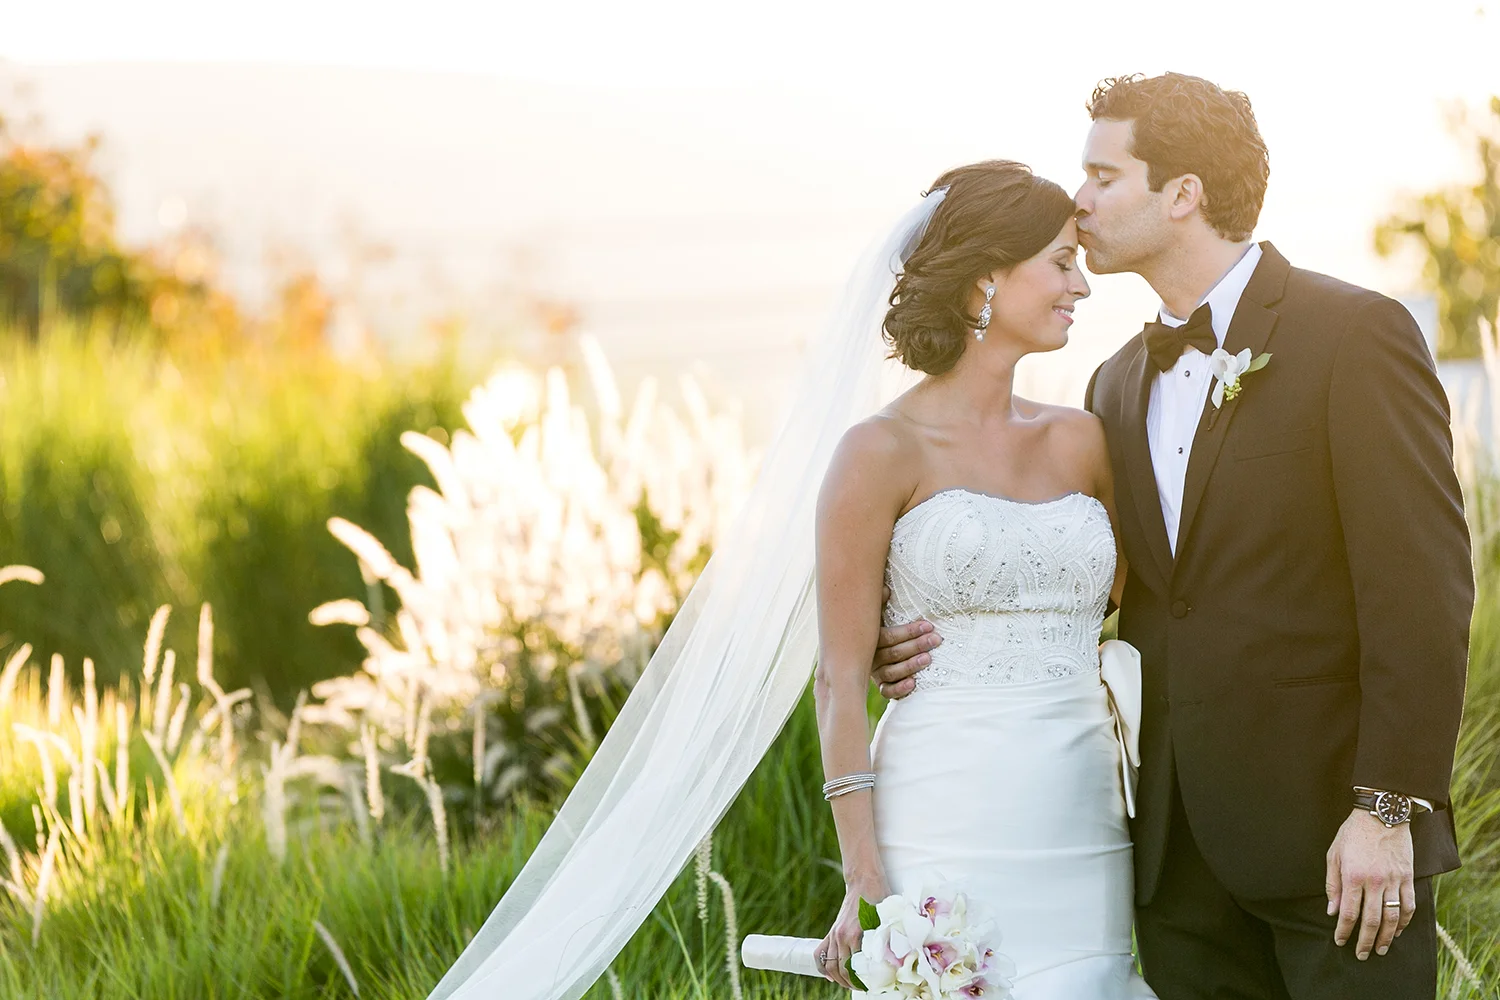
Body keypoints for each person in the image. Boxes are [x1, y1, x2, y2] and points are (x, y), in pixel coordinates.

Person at [871, 73, 1473, 1000]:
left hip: (1338, 851)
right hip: (1171, 861)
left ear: (1182, 194)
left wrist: (1386, 811)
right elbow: (1108, 588)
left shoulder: (1354, 334)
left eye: (1103, 176)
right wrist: (915, 625)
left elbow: (1422, 593)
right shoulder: (1115, 384)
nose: (1079, 200)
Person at [812, 158, 1156, 997]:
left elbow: (1140, 604)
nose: (1081, 284)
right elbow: (840, 674)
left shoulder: (1084, 439)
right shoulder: (877, 452)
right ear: (985, 283)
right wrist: (863, 868)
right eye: (1061, 262)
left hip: (1083, 810)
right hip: (944, 805)